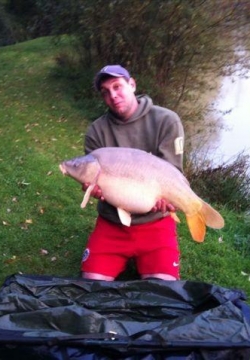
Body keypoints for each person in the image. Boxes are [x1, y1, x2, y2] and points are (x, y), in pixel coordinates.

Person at [81, 64, 185, 281]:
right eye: (106, 92)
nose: (113, 95)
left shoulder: (167, 120)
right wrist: (96, 189)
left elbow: (172, 172)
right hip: (112, 223)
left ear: (132, 84)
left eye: (117, 86)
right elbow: (94, 177)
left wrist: (167, 199)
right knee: (91, 284)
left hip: (157, 223)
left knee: (162, 291)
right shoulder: (96, 132)